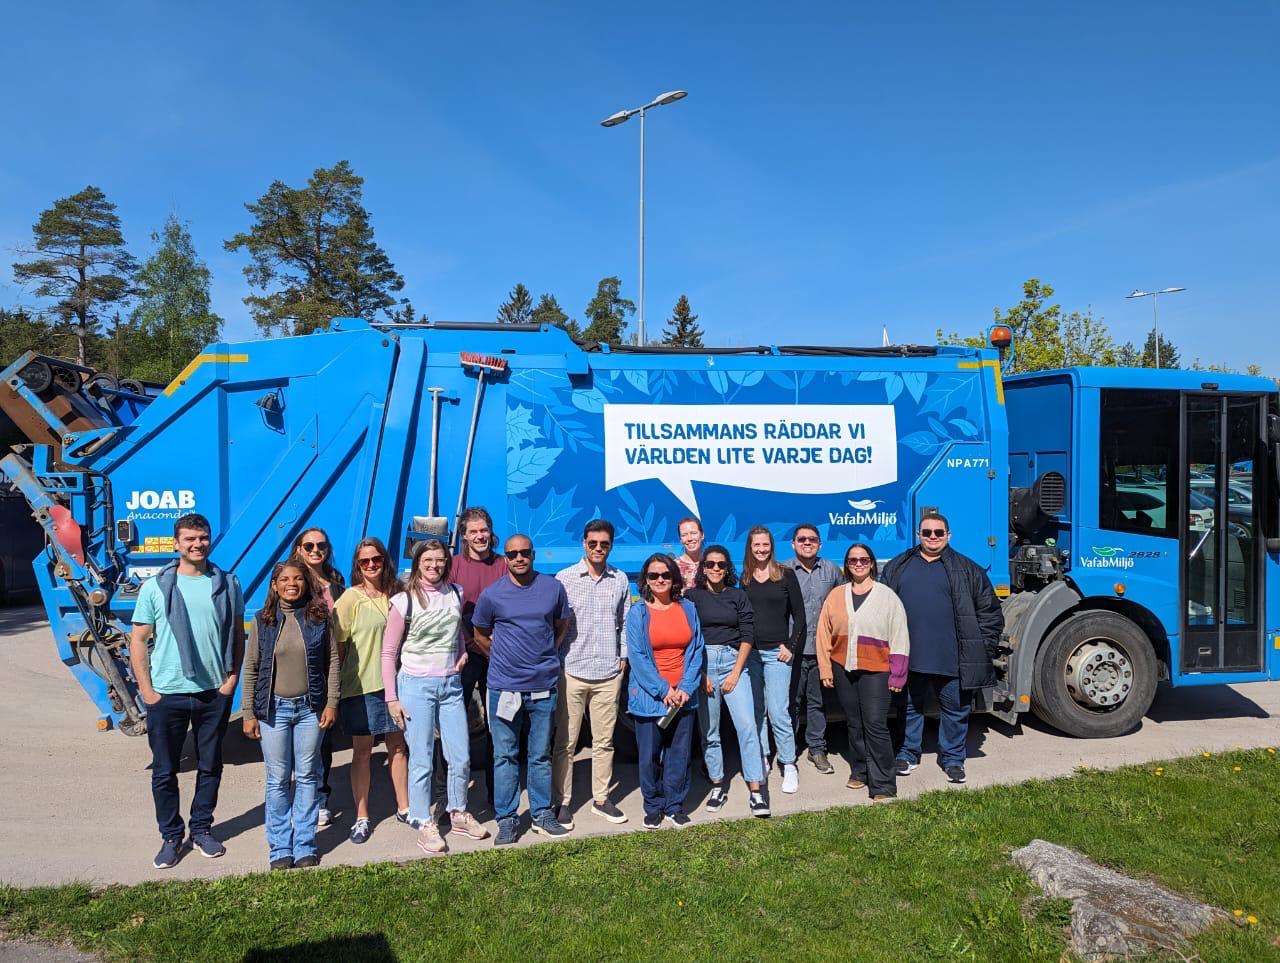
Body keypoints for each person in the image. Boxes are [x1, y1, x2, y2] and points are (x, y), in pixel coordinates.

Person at [128, 512, 245, 870]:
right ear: (177, 543)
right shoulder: (157, 587)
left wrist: (231, 680)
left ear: (210, 540)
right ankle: (170, 836)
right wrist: (147, 691)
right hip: (167, 694)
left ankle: (202, 829)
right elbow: (138, 640)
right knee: (165, 771)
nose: (197, 544)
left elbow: (237, 634)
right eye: (190, 539)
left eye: (203, 538)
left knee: (210, 766)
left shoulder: (227, 584)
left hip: (213, 692)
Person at [881, 512, 1005, 784]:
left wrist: (981, 649)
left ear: (949, 535)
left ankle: (953, 760)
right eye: (927, 532)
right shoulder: (898, 566)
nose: (933, 537)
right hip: (910, 659)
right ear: (918, 535)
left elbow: (990, 614)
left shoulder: (968, 569)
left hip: (952, 660)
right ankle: (907, 754)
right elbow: (881, 609)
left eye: (939, 532)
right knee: (910, 710)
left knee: (956, 711)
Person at [383, 539, 489, 853]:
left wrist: (460, 656)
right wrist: (392, 698)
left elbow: (456, 631)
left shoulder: (455, 593)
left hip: (450, 685)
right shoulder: (404, 602)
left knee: (460, 755)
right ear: (417, 564)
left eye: (440, 560)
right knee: (422, 759)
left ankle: (457, 812)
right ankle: (422, 821)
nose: (435, 566)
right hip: (416, 686)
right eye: (428, 560)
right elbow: (388, 653)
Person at [471, 534, 571, 845]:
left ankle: (542, 814)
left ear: (533, 554)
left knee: (539, 755)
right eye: (512, 553)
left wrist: (548, 653)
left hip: (543, 686)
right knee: (505, 757)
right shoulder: (492, 595)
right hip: (504, 688)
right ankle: (507, 819)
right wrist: (502, 659)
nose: (519, 558)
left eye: (524, 552)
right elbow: (479, 634)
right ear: (505, 558)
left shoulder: (552, 588)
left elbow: (561, 624)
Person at [241, 561, 340, 869]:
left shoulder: (320, 617)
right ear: (275, 585)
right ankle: (281, 849)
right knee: (278, 778)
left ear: (306, 584)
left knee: (309, 775)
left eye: (298, 578)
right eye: (285, 579)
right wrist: (248, 712)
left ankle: (305, 845)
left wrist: (332, 702)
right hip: (274, 711)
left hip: (311, 709)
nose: (292, 583)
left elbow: (334, 660)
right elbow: (251, 668)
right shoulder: (263, 620)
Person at [552, 519, 631, 829]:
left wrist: (622, 655)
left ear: (611, 546)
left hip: (608, 673)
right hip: (572, 670)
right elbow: (556, 625)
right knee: (566, 742)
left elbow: (624, 623)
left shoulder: (620, 579)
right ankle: (563, 802)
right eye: (593, 543)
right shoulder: (565, 579)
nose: (599, 548)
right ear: (583, 543)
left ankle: (601, 798)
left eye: (605, 544)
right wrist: (557, 659)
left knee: (604, 741)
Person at [815, 544, 909, 800]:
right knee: (854, 723)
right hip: (843, 667)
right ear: (846, 564)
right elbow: (823, 633)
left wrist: (898, 674)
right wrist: (826, 667)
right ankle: (860, 772)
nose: (858, 563)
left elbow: (900, 634)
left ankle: (884, 785)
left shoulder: (887, 596)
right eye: (853, 560)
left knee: (875, 724)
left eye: (864, 559)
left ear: (872, 563)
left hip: (877, 669)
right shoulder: (836, 595)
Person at [333, 537, 410, 844]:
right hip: (361, 686)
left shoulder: (399, 595)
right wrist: (333, 692)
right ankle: (362, 816)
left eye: (376, 559)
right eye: (364, 562)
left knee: (399, 749)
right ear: (357, 566)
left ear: (385, 561)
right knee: (363, 752)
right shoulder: (350, 599)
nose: (371, 566)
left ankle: (405, 808)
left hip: (397, 685)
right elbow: (337, 648)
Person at [685, 545, 770, 818]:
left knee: (747, 727)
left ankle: (757, 789)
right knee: (710, 732)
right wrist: (700, 674)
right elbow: (688, 638)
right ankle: (718, 784)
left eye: (721, 565)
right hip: (705, 665)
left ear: (727, 568)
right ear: (703, 567)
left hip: (734, 663)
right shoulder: (692, 597)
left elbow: (748, 634)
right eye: (710, 564)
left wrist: (735, 673)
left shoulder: (738, 595)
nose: (715, 569)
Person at [626, 553, 705, 829]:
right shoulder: (638, 613)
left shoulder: (687, 608)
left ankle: (674, 806)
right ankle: (653, 806)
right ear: (645, 580)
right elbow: (637, 657)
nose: (660, 580)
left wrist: (684, 687)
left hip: (683, 698)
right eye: (653, 575)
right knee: (648, 756)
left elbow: (696, 649)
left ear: (674, 578)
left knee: (679, 754)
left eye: (665, 575)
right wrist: (663, 690)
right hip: (650, 698)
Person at [742, 526, 806, 794]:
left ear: (772, 546)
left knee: (779, 711)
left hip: (777, 654)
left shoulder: (785, 575)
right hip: (752, 655)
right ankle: (762, 757)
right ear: (750, 547)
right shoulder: (744, 578)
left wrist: (791, 646)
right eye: (756, 545)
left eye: (765, 545)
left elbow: (800, 617)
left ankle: (789, 763)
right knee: (758, 711)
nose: (761, 549)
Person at [451, 506, 507, 806]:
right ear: (464, 536)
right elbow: (448, 612)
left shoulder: (503, 565)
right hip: (465, 655)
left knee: (497, 727)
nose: (479, 536)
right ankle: (454, 798)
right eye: (473, 531)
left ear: (491, 531)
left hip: (498, 656)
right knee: (454, 726)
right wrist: (470, 641)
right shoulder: (453, 565)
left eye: (483, 530)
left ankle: (496, 796)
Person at [291, 526, 345, 828]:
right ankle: (300, 797)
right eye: (309, 545)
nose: (315, 551)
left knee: (321, 738)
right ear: (299, 548)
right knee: (294, 741)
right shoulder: (293, 579)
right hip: (297, 668)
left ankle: (320, 798)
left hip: (327, 668)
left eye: (321, 545)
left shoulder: (336, 580)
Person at [784, 523, 845, 776]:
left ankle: (817, 749)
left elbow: (843, 600)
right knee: (790, 703)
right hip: (792, 651)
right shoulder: (783, 571)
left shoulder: (831, 569)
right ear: (793, 544)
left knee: (817, 702)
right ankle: (788, 752)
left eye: (812, 539)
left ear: (820, 544)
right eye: (801, 539)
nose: (807, 543)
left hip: (822, 650)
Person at [674, 516, 705, 588]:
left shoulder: (712, 564)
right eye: (684, 535)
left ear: (702, 535)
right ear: (680, 540)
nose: (689, 538)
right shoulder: (673, 567)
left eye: (693, 533)